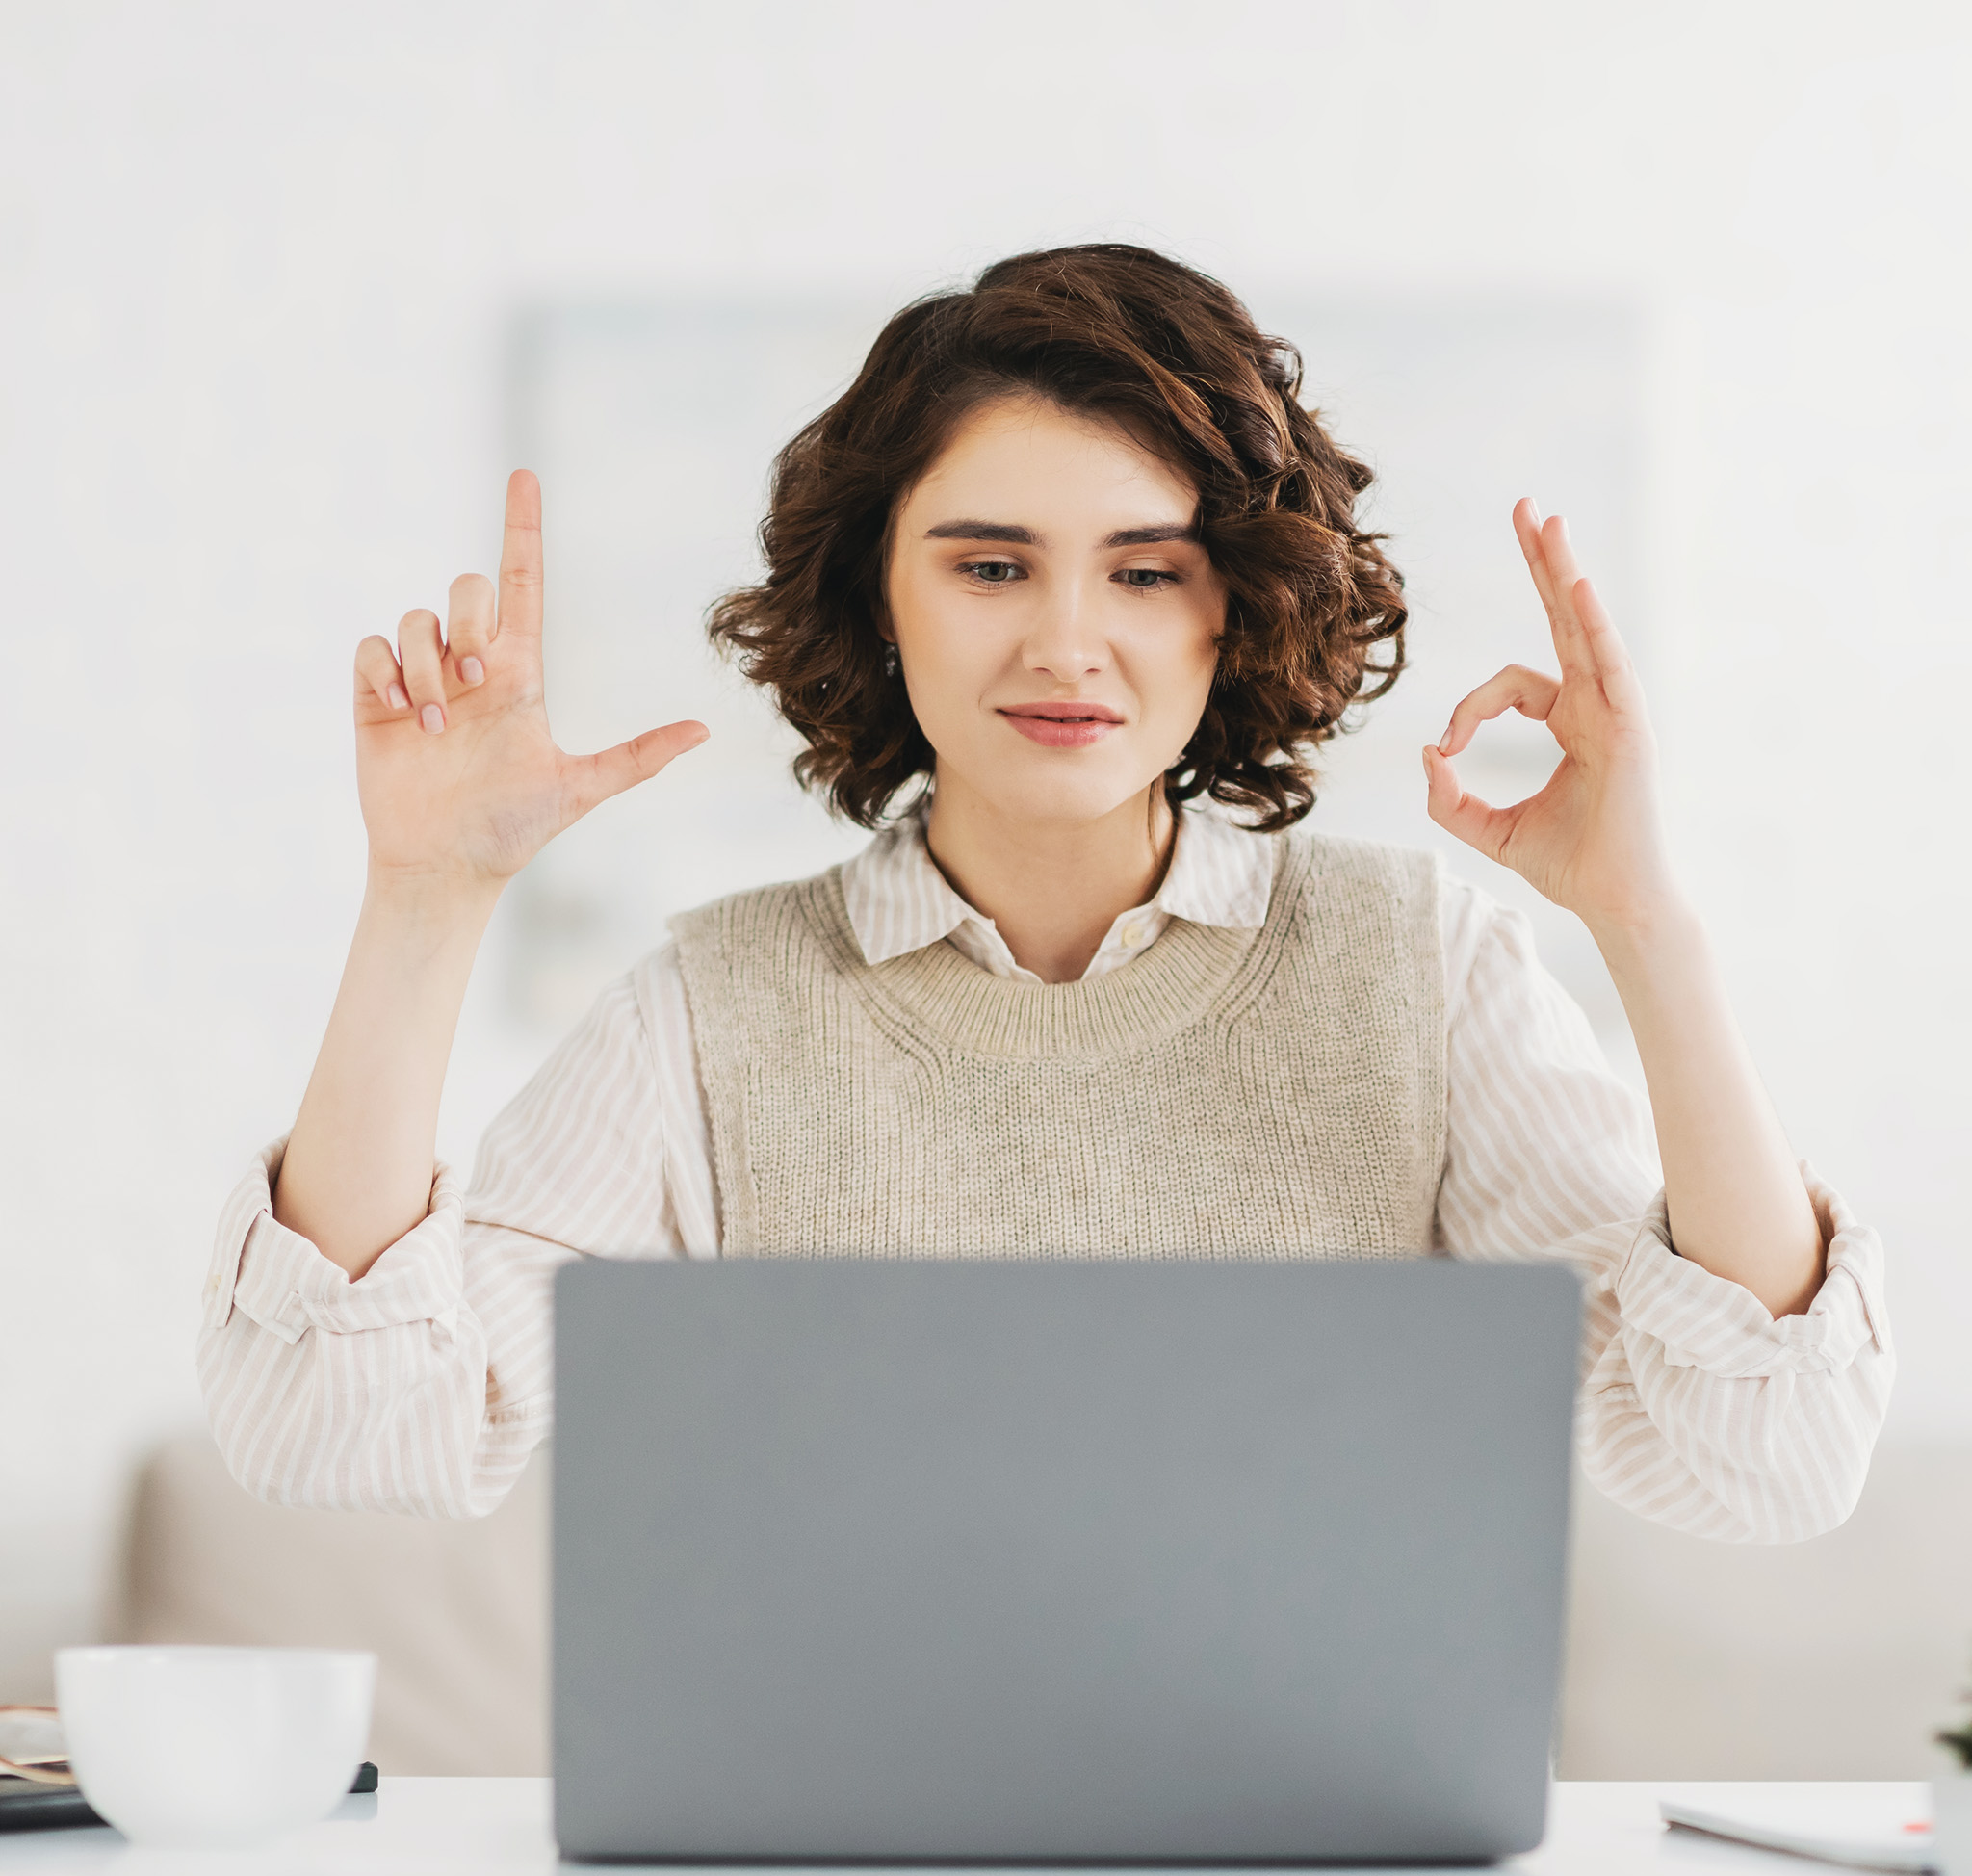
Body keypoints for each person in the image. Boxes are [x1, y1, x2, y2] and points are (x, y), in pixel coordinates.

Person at [201, 244, 1888, 1542]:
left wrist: (1650, 931)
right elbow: (337, 1438)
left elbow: (1772, 1463)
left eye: (1145, 571)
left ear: (1231, 612)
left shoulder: (1423, 970)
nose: (1068, 641)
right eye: (991, 563)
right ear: (882, 596)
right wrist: (423, 903)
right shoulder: (711, 1014)